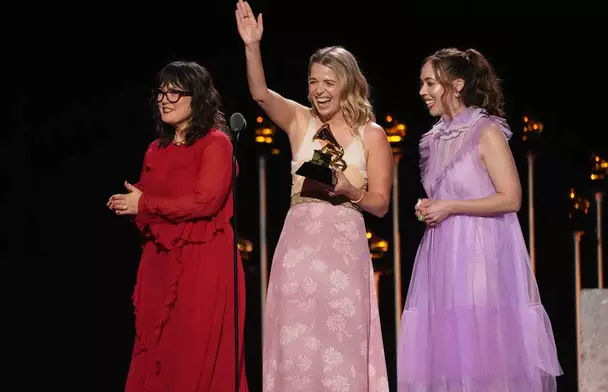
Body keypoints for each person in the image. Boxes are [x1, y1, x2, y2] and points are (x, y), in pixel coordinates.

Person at [235, 1, 392, 391]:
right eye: (313, 82)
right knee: (298, 344)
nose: (319, 91)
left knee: (340, 343)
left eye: (328, 82)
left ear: (348, 83)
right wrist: (252, 45)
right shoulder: (300, 120)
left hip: (343, 247)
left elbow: (381, 202)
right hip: (299, 246)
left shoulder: (371, 134)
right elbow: (259, 94)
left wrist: (351, 190)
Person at [397, 48, 563, 392]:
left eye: (430, 83)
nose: (422, 91)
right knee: (447, 348)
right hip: (442, 254)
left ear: (456, 85)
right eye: (422, 83)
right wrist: (431, 206)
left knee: (481, 345)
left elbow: (511, 197)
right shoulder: (434, 138)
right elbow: (450, 194)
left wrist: (451, 206)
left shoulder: (484, 131)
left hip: (479, 253)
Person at [107, 60, 249, 392]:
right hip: (159, 263)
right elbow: (151, 209)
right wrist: (132, 205)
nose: (165, 98)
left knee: (194, 355)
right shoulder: (155, 150)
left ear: (197, 98)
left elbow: (205, 202)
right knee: (157, 352)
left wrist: (144, 204)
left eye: (176, 91)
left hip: (204, 262)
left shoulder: (217, 144)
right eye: (161, 91)